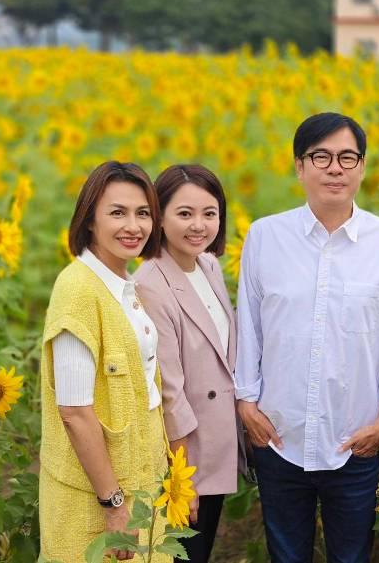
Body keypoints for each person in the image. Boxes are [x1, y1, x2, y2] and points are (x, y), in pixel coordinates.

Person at [235, 112, 379, 563]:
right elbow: (250, 329)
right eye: (320, 156)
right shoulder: (265, 236)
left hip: (356, 436)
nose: (334, 168)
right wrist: (246, 403)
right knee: (286, 555)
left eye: (347, 157)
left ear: (362, 167)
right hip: (279, 435)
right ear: (300, 166)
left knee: (351, 556)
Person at [39, 161, 171, 563]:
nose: (133, 226)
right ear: (90, 220)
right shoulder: (78, 290)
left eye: (143, 213)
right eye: (117, 212)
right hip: (97, 497)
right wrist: (114, 506)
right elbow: (75, 412)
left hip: (141, 479)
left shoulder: (121, 286)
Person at [135, 164, 242, 563]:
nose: (199, 225)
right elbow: (169, 391)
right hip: (187, 453)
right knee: (182, 552)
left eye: (209, 213)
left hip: (216, 438)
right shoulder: (151, 283)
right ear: (159, 216)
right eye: (184, 214)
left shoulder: (207, 265)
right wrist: (182, 479)